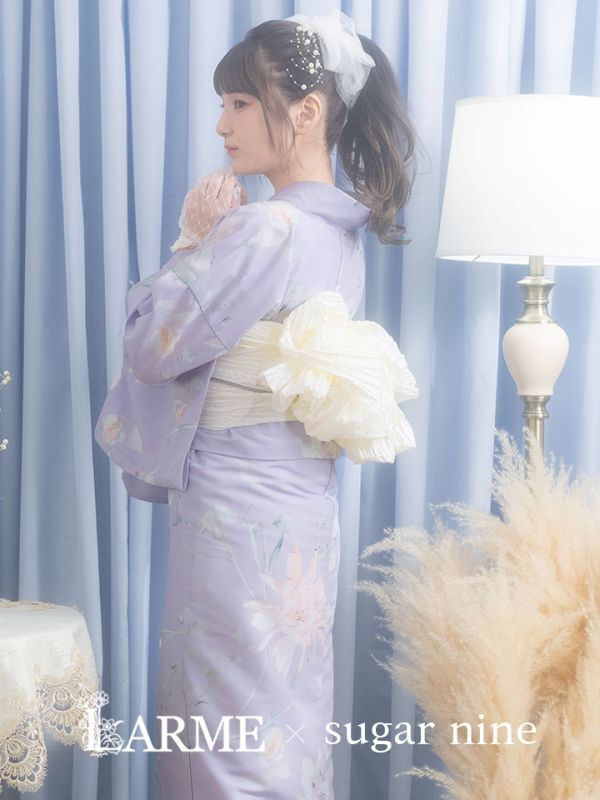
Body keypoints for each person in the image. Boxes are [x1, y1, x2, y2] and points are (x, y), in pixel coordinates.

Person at [95, 9, 420, 798]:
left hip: (234, 510)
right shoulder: (339, 236)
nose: (222, 125)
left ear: (306, 111)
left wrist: (192, 239)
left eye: (240, 103)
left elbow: (153, 346)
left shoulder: (265, 228)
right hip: (303, 505)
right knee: (283, 716)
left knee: (221, 729)